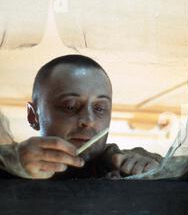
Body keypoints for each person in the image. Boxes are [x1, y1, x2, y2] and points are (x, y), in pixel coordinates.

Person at [0, 54, 161, 179]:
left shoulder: (123, 166)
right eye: (70, 106)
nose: (89, 121)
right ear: (33, 116)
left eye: (99, 108)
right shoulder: (12, 163)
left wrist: (155, 170)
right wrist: (10, 161)